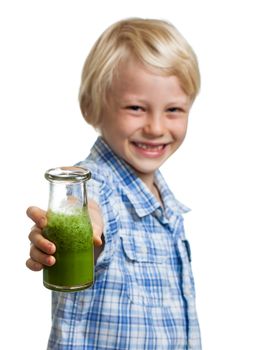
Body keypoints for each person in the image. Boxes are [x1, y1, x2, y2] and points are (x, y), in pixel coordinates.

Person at [26, 17, 202, 349]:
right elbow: (87, 204)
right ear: (92, 107)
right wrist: (81, 226)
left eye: (174, 109)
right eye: (136, 108)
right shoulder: (96, 185)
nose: (155, 126)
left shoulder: (166, 206)